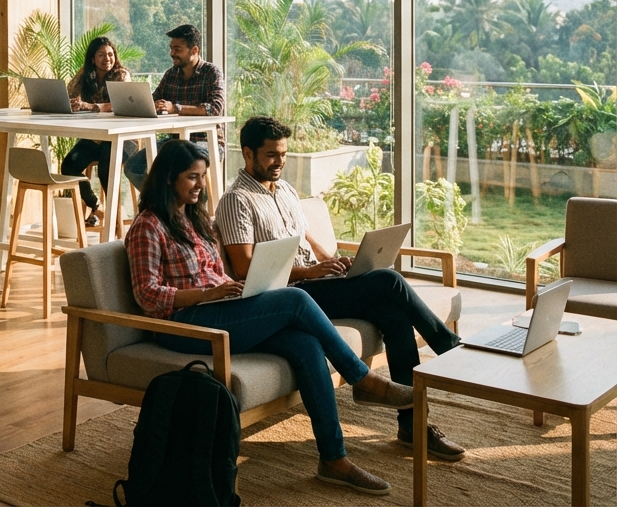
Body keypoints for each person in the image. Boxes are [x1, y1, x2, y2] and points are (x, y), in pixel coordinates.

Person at [126, 139, 411, 495]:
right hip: (184, 324)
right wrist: (206, 295)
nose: (200, 184)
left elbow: (216, 275)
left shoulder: (195, 219)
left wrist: (238, 289)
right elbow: (147, 294)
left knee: (306, 345)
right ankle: (362, 379)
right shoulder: (148, 227)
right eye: (192, 177)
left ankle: (333, 460)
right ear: (169, 178)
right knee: (295, 298)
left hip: (218, 311)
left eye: (203, 176)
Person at [214, 116, 466, 463]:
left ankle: (413, 426)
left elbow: (304, 236)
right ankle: (451, 350)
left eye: (283, 154)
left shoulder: (285, 190)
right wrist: (311, 271)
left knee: (394, 315)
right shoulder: (236, 200)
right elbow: (244, 267)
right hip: (291, 295)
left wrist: (332, 261)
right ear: (247, 153)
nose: (279, 161)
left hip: (318, 282)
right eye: (271, 155)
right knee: (389, 280)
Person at [124, 24, 226, 190]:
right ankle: (164, 201)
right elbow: (152, 100)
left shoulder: (211, 73)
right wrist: (148, 104)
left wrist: (176, 108)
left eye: (177, 49)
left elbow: (215, 108)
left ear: (194, 50)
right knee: (133, 167)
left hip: (205, 142)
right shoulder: (171, 74)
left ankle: (181, 202)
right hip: (174, 142)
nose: (172, 53)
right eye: (171, 48)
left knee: (179, 169)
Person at [61, 36, 135, 227]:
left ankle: (114, 220)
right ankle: (96, 205)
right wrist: (75, 99)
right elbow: (69, 93)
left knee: (105, 169)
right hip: (95, 139)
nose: (107, 58)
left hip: (123, 139)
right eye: (101, 55)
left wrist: (90, 106)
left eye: (110, 54)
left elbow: (118, 104)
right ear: (92, 58)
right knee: (68, 166)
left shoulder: (121, 75)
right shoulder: (88, 76)